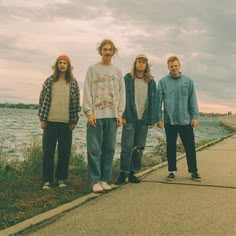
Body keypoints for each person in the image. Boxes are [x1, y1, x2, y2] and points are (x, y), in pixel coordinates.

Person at [83, 39, 125, 193]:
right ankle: (94, 180)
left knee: (109, 148)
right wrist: (89, 112)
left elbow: (122, 94)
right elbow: (87, 90)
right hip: (96, 115)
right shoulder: (92, 69)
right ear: (100, 51)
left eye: (110, 50)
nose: (107, 52)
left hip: (112, 116)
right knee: (94, 149)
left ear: (113, 52)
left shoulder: (117, 71)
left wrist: (120, 113)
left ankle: (104, 179)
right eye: (105, 49)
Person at [38, 55, 80, 190]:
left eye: (64, 63)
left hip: (66, 123)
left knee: (64, 152)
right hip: (50, 122)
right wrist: (42, 119)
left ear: (68, 66)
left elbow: (76, 102)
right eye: (60, 63)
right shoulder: (49, 81)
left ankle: (61, 178)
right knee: (48, 152)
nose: (62, 65)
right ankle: (47, 180)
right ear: (56, 65)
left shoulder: (73, 82)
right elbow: (42, 99)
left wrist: (73, 120)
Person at [156, 56, 201, 181]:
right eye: (171, 66)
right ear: (168, 67)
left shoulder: (188, 81)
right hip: (169, 120)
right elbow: (158, 102)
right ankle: (171, 171)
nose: (174, 68)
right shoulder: (162, 82)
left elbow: (192, 100)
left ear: (179, 65)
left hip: (185, 120)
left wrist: (194, 116)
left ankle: (194, 171)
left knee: (190, 146)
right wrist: (158, 118)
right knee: (171, 146)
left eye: (176, 65)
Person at [115, 54, 158, 185]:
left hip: (143, 119)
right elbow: (120, 97)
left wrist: (152, 119)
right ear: (135, 64)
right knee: (126, 147)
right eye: (139, 62)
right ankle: (123, 173)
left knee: (139, 147)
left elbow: (154, 101)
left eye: (143, 62)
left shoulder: (151, 81)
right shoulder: (127, 79)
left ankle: (133, 173)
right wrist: (121, 115)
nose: (141, 64)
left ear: (146, 65)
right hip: (129, 118)